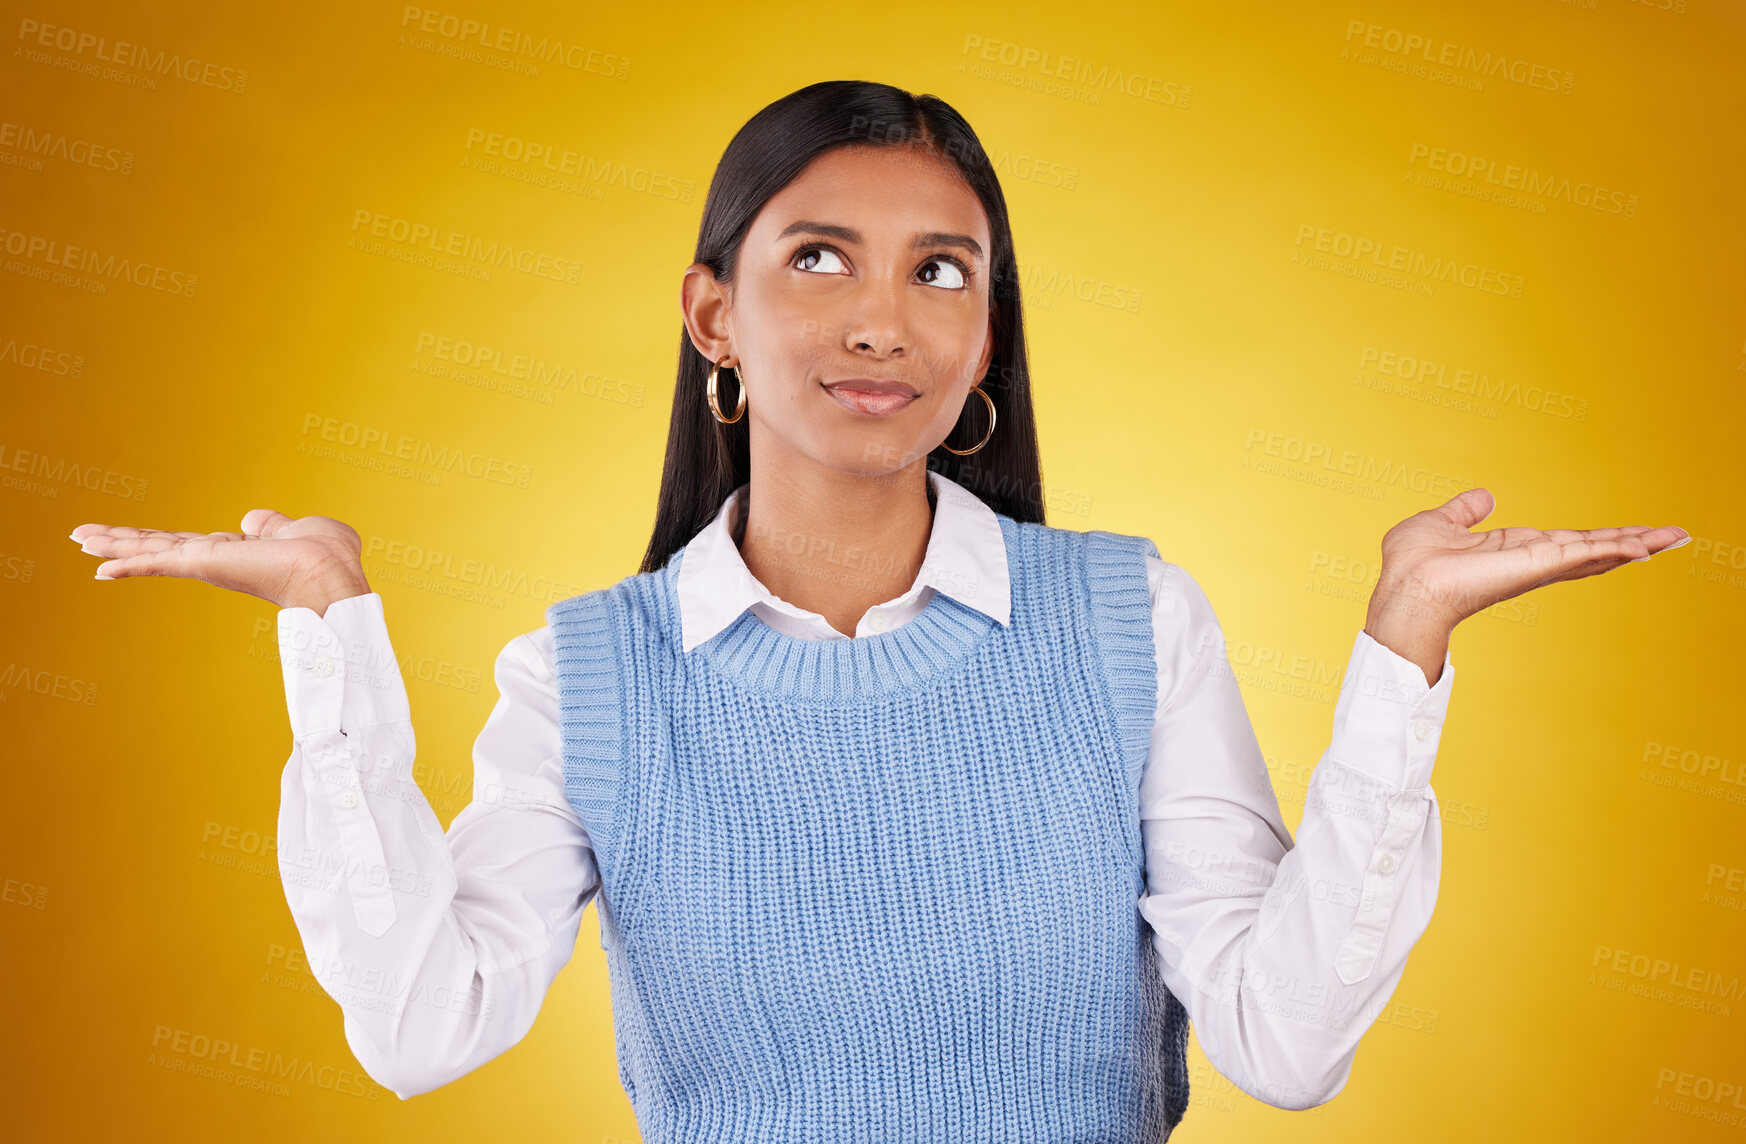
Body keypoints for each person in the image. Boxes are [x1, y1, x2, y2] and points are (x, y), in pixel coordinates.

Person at [67, 80, 1689, 1141]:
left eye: (939, 272)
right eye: (819, 259)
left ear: (986, 336)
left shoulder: (1129, 620)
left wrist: (1400, 651)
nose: (879, 321)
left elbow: (1284, 1042)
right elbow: (425, 1026)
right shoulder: (590, 676)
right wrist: (329, 633)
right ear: (713, 312)